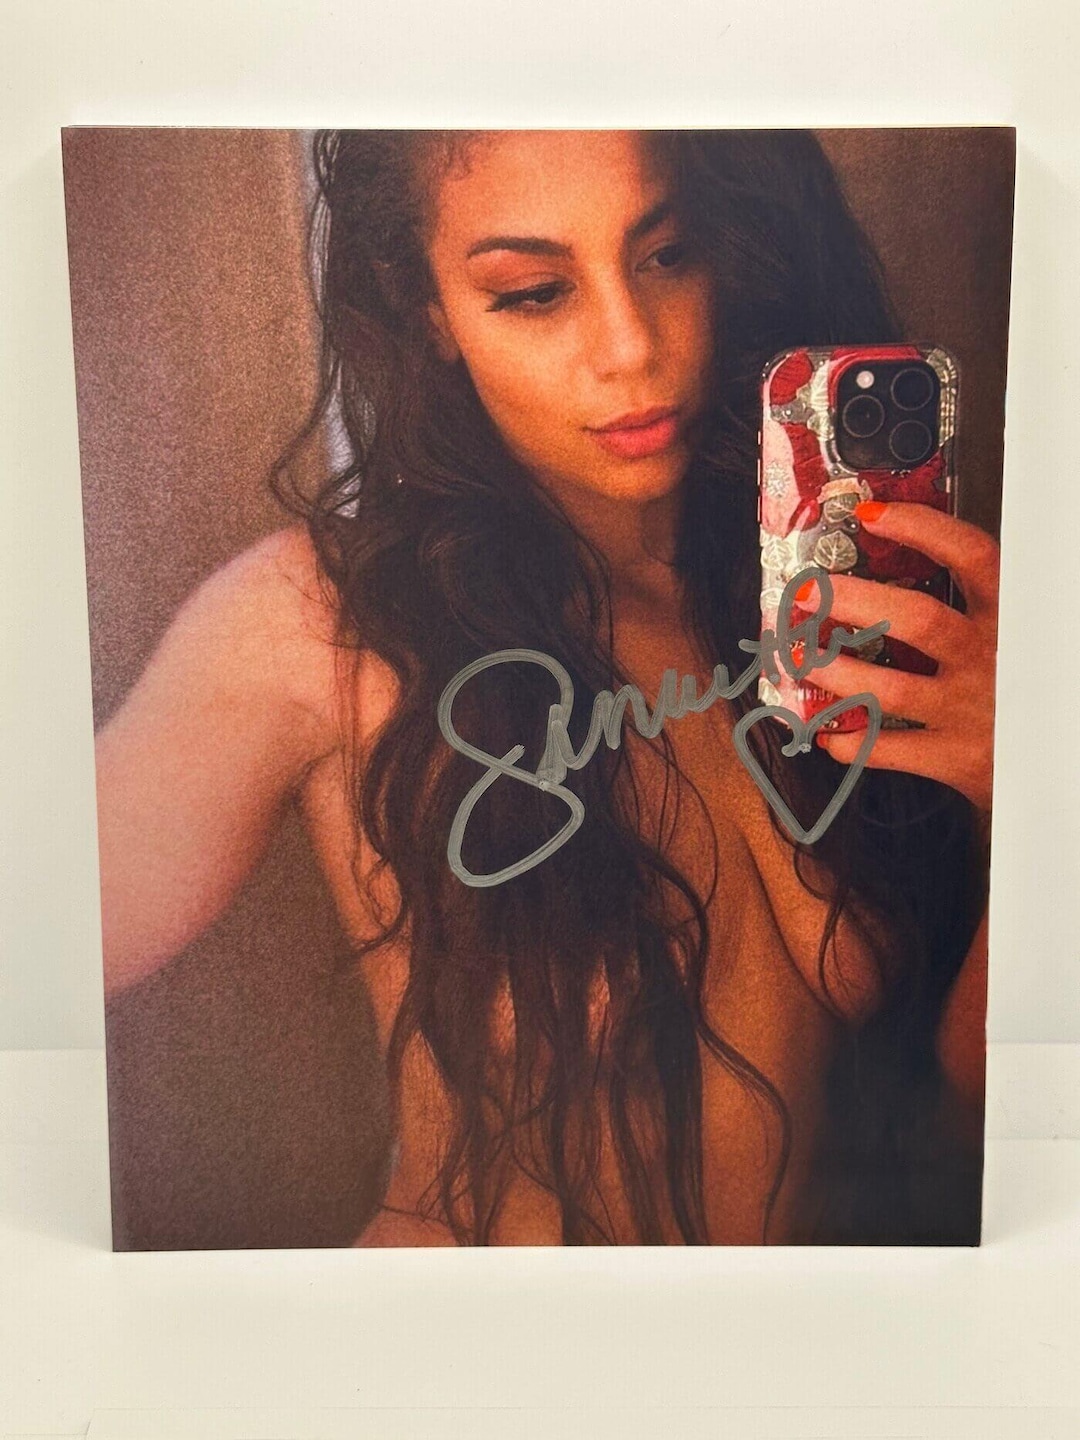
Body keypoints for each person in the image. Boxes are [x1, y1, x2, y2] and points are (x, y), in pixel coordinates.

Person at [95, 129, 997, 1247]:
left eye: (667, 255)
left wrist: (1038, 804)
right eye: (533, 293)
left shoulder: (840, 613)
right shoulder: (326, 623)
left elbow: (959, 1130)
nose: (631, 348)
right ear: (428, 310)